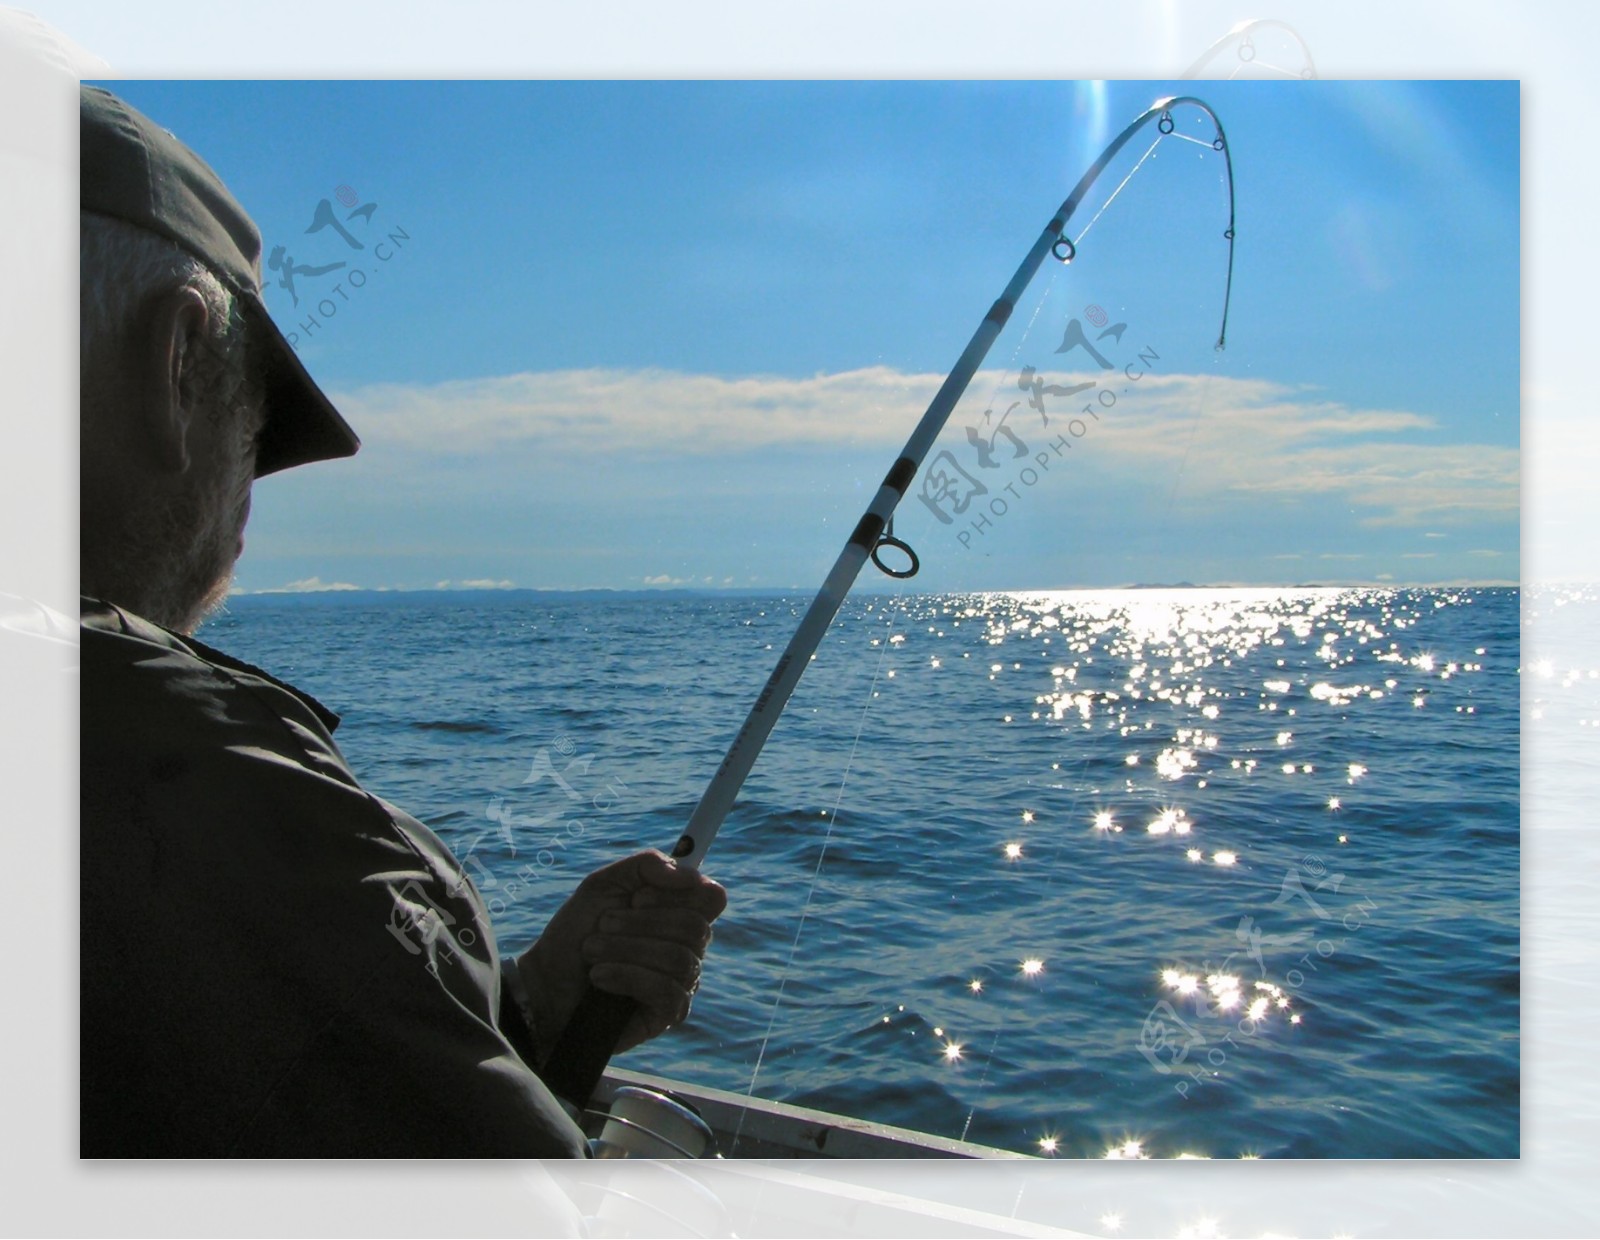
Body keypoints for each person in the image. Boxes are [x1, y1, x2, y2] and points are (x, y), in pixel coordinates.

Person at [78, 84, 726, 1157]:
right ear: (176, 361)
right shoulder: (203, 795)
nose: (251, 500)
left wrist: (521, 1013)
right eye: (257, 429)